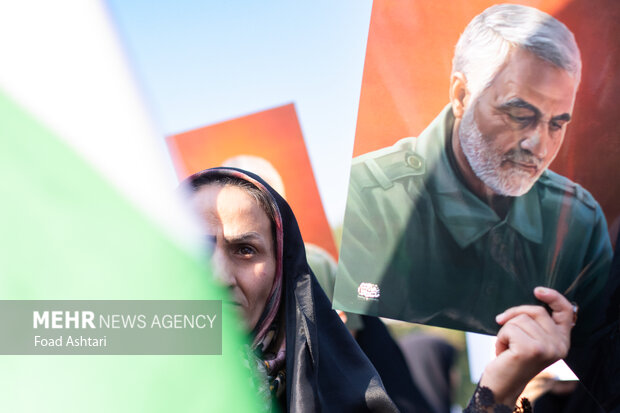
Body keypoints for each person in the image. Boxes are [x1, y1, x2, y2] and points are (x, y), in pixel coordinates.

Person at [185, 166, 577, 413]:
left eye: (246, 250)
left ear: (282, 272)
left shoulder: (339, 395)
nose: (220, 276)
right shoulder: (129, 370)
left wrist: (500, 387)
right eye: (199, 250)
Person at [333, 4, 612, 340]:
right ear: (461, 95)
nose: (539, 146)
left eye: (556, 124)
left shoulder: (580, 222)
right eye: (520, 115)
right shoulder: (364, 197)